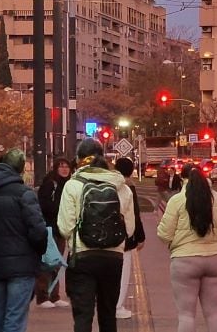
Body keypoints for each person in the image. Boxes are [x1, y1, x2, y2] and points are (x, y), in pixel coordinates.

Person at [58, 138, 136, 332]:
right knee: (108, 314)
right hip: (113, 258)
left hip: (82, 257)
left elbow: (65, 227)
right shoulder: (123, 188)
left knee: (83, 316)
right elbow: (130, 228)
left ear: (79, 158)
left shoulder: (73, 185)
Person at [0, 149, 48, 332]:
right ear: (21, 169)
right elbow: (38, 231)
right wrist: (39, 251)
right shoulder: (24, 194)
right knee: (15, 316)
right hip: (23, 265)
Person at [157, 164, 217, 332]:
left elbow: (164, 234)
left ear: (183, 179)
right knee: (214, 313)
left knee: (186, 315)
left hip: (185, 261)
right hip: (216, 260)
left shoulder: (177, 200)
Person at [35, 158, 74, 309]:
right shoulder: (50, 183)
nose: (64, 169)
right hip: (50, 227)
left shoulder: (68, 185)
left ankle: (55, 295)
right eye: (61, 166)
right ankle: (43, 295)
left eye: (67, 167)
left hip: (60, 228)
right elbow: (44, 205)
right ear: (56, 168)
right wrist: (62, 208)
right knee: (47, 262)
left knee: (56, 262)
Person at [113, 157, 147, 320]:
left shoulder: (106, 184)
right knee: (123, 272)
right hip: (124, 238)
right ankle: (117, 306)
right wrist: (140, 237)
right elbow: (134, 214)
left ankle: (108, 304)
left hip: (105, 236)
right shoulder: (128, 188)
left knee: (109, 273)